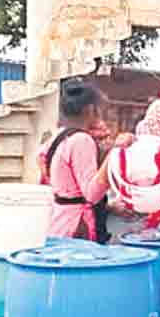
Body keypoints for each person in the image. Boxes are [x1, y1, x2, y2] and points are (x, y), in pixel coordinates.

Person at [39, 79, 112, 242]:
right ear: (90, 109)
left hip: (58, 219)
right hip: (76, 226)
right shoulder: (82, 140)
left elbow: (42, 161)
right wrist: (113, 155)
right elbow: (92, 194)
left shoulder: (59, 135)